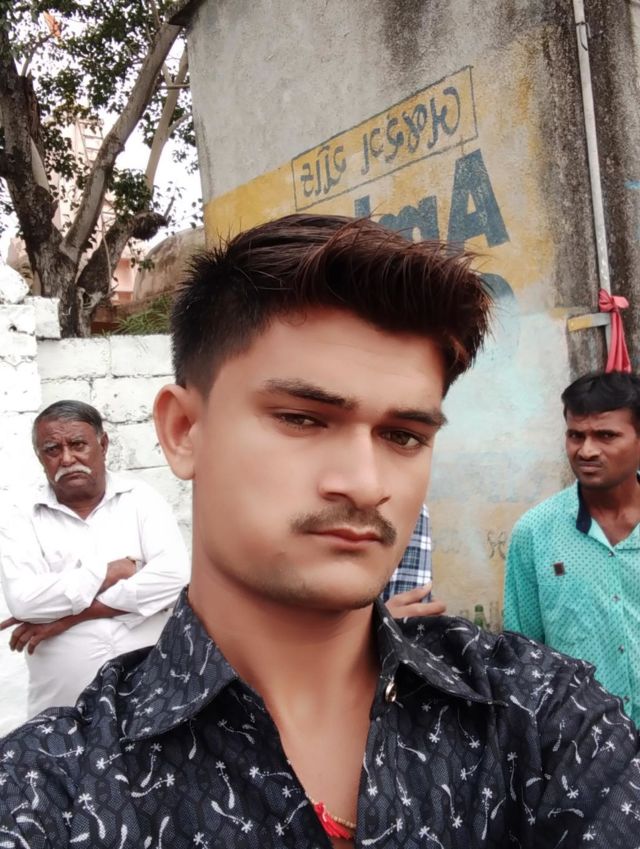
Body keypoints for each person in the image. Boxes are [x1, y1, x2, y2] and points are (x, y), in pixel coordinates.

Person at [1, 216, 638, 849]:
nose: (365, 483)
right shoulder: (54, 789)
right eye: (303, 419)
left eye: (403, 436)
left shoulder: (540, 715)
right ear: (184, 431)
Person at [0, 400, 190, 716]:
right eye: (52, 449)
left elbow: (175, 577)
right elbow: (25, 601)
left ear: (102, 445)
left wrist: (70, 617)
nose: (67, 458)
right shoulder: (22, 518)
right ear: (39, 457)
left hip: (151, 699)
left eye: (78, 445)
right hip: (64, 708)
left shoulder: (141, 500)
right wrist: (110, 571)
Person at [504, 370, 640, 724]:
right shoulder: (535, 533)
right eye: (576, 435)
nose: (586, 450)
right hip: (580, 741)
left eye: (606, 435)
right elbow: (523, 656)